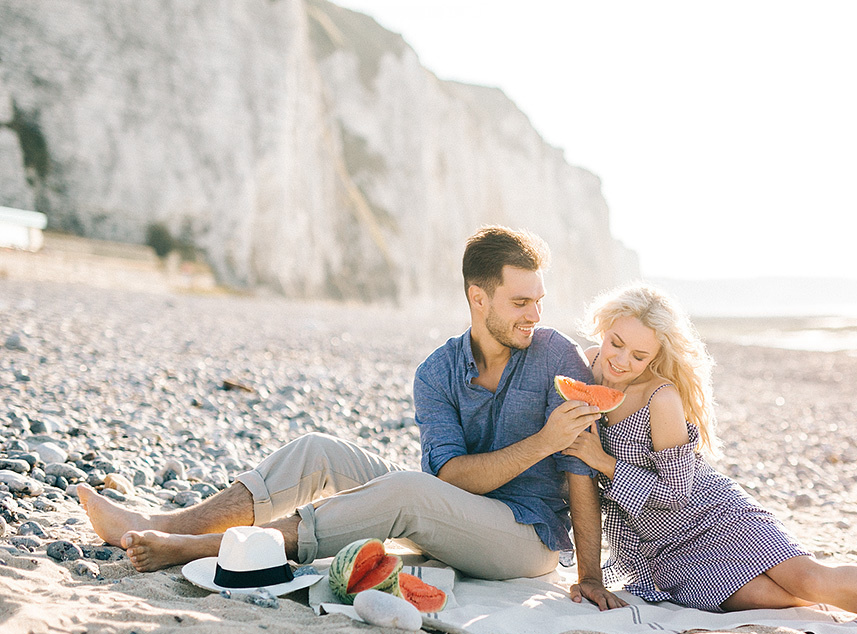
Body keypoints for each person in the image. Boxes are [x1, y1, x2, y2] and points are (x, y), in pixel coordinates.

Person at [80, 226, 626, 610]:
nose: (535, 314)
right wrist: (542, 441)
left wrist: (589, 575)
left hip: (524, 539)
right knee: (318, 449)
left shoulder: (556, 355)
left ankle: (201, 548)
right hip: (451, 507)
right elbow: (451, 478)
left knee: (409, 494)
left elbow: (581, 472)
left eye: (539, 300)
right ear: (477, 298)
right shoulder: (436, 372)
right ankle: (170, 523)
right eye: (520, 302)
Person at [560, 283, 857, 631]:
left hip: (710, 516)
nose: (621, 362)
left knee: (810, 579)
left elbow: (679, 492)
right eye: (616, 344)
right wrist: (590, 574)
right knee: (775, 601)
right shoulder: (580, 371)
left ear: (656, 358)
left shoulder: (660, 398)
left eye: (639, 356)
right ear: (603, 331)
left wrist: (604, 462)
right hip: (652, 550)